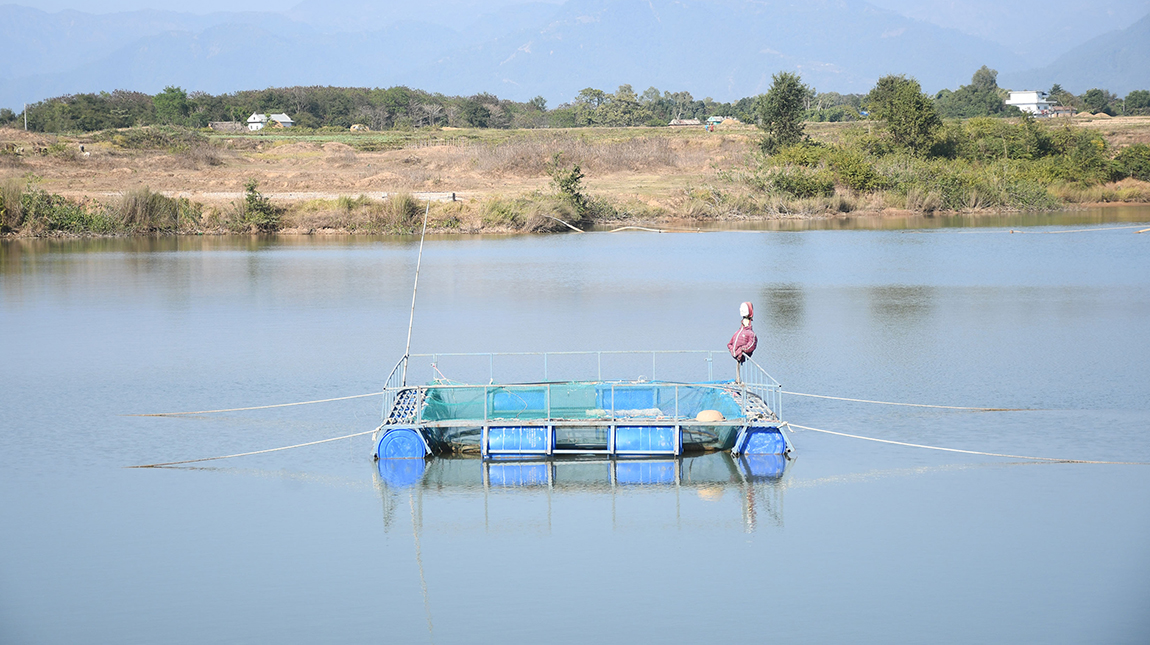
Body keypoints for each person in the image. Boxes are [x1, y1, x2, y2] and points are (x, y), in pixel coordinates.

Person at [727, 301, 757, 383]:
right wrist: (733, 349)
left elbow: (751, 346)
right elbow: (729, 343)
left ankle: (739, 380)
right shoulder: (738, 332)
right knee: (737, 369)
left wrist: (741, 350)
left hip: (741, 355)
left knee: (738, 369)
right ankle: (738, 380)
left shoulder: (751, 334)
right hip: (736, 355)